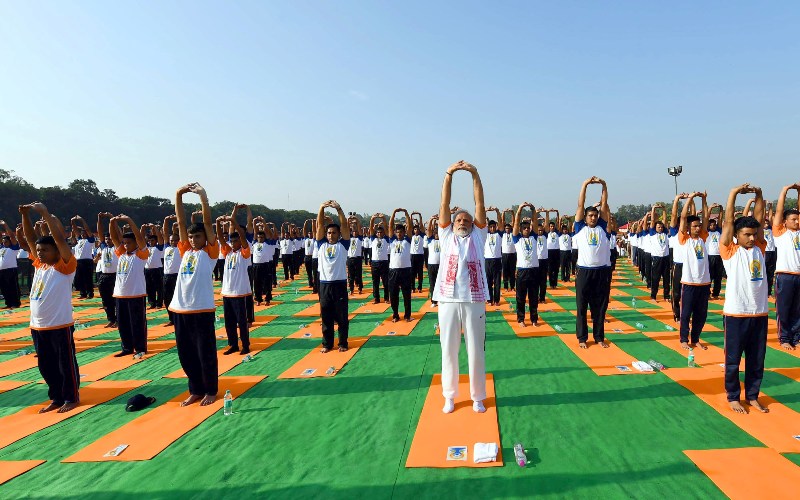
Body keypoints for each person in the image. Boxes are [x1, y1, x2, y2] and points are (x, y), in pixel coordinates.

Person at [433, 161, 489, 414]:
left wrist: (474, 174)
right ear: (452, 223)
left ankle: (477, 396)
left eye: (467, 220)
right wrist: (449, 175)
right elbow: (444, 205)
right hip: (447, 299)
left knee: (476, 350)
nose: (463, 222)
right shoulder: (445, 236)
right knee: (448, 350)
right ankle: (450, 396)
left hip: (474, 299)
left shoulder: (479, 236)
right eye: (459, 219)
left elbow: (479, 204)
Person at [20, 202, 80, 413]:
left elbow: (60, 239)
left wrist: (45, 213)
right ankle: (56, 396)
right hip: (38, 326)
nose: (40, 253)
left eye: (45, 250)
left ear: (57, 251)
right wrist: (25, 216)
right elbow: (29, 238)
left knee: (65, 364)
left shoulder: (65, 267)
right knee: (46, 366)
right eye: (39, 250)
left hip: (59, 325)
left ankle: (71, 397)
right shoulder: (40, 265)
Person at [719, 184, 769, 414]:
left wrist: (759, 195)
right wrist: (733, 194)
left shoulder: (760, 247)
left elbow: (758, 217)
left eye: (753, 234)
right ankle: (733, 396)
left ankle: (752, 395)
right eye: (746, 235)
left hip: (759, 312)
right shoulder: (730, 251)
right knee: (733, 360)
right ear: (737, 236)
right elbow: (728, 222)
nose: (750, 238)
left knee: (757, 359)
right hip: (736, 313)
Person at [170, 182, 219, 406]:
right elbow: (180, 221)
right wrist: (179, 194)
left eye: (197, 237)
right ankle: (196, 389)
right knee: (186, 354)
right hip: (180, 308)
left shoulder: (209, 253)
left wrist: (202, 196)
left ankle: (210, 390)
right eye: (191, 237)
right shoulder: (185, 251)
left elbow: (207, 222)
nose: (193, 240)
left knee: (205, 352)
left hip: (201, 308)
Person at [573, 177, 612, 349]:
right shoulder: (580, 227)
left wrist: (603, 185)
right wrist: (585, 185)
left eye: (595, 215)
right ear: (586, 217)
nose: (593, 218)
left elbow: (604, 204)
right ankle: (582, 338)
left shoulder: (602, 227)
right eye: (591, 215)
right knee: (582, 306)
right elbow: (580, 205)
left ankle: (599, 337)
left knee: (600, 307)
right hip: (584, 271)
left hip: (601, 272)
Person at [109, 213, 149, 357]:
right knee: (123, 322)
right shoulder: (121, 254)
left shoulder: (141, 254)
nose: (126, 245)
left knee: (137, 322)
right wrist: (112, 222)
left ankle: (140, 347)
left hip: (136, 294)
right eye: (124, 243)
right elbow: (114, 238)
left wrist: (129, 220)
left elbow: (139, 236)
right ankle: (127, 347)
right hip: (120, 293)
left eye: (129, 243)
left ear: (136, 244)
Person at [314, 200, 351, 353]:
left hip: (339, 284)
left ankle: (342, 343)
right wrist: (321, 207)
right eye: (329, 233)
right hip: (324, 285)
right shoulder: (321, 244)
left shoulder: (343, 245)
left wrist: (339, 209)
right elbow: (319, 225)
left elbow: (344, 226)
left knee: (342, 317)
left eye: (334, 232)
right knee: (326, 317)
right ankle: (327, 344)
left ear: (339, 234)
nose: (330, 235)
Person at [217, 205, 253, 355]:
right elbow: (220, 239)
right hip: (227, 292)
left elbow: (243, 238)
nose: (233, 243)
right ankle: (233, 344)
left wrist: (234, 222)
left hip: (239, 292)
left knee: (242, 322)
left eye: (235, 241)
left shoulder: (244, 253)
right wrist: (218, 224)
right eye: (232, 241)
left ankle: (245, 345)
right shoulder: (228, 253)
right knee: (229, 322)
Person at [677, 192, 711, 350]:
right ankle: (684, 339)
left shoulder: (703, 237)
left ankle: (695, 338)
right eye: (695, 226)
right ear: (688, 229)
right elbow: (683, 218)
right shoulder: (685, 239)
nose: (698, 228)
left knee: (701, 314)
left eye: (699, 226)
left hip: (704, 282)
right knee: (686, 314)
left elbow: (705, 216)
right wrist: (690, 199)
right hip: (689, 282)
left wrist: (703, 199)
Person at [772, 182, 800, 350]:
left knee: (798, 309)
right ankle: (784, 338)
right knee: (784, 308)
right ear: (785, 221)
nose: (797, 222)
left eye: (798, 219)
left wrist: (799, 192)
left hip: (799, 275)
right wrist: (784, 191)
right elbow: (779, 211)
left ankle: (797, 337)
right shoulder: (780, 232)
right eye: (793, 219)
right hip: (784, 275)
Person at [512, 203, 540, 327]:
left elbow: (534, 221)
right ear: (521, 229)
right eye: (524, 228)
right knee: (520, 297)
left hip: (534, 270)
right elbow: (516, 223)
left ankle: (534, 319)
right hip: (522, 271)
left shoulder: (534, 237)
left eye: (528, 228)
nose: (527, 230)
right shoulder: (517, 239)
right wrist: (519, 210)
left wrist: (533, 210)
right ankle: (521, 319)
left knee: (534, 297)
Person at [388, 208, 414, 322]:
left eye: (401, 232)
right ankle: (395, 315)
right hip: (393, 271)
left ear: (404, 232)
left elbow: (410, 226)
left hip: (406, 271)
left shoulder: (407, 240)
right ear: (395, 233)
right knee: (393, 295)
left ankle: (407, 315)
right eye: (397, 232)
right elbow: (390, 226)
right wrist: (393, 213)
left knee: (406, 294)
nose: (399, 234)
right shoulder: (392, 240)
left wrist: (406, 213)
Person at [95, 213, 119, 327]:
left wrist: (111, 219)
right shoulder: (103, 247)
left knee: (116, 300)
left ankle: (119, 320)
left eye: (110, 238)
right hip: (104, 276)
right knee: (106, 300)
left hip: (115, 276)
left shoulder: (117, 248)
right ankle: (111, 319)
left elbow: (118, 234)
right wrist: (99, 219)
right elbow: (99, 232)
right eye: (106, 239)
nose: (108, 240)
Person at [251, 219, 276, 306]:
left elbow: (268, 233)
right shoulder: (254, 243)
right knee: (257, 283)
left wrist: (264, 222)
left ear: (264, 238)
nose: (260, 238)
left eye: (262, 237)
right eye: (259, 237)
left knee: (267, 282)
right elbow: (255, 231)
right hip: (256, 265)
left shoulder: (268, 243)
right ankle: (258, 299)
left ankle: (267, 299)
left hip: (266, 265)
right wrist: (254, 222)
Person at [648, 204, 671, 302]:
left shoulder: (665, 232)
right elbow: (653, 221)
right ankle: (653, 296)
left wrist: (664, 209)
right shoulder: (653, 233)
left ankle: (666, 296)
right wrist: (653, 209)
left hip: (665, 257)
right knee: (656, 278)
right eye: (659, 227)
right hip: (656, 258)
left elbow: (665, 221)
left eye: (661, 227)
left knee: (666, 279)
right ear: (655, 228)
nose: (660, 228)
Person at [70, 215, 96, 299]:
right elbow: (74, 229)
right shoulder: (79, 241)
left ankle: (90, 293)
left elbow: (87, 229)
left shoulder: (90, 241)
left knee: (87, 278)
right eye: (82, 233)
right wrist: (72, 221)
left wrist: (81, 219)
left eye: (84, 233)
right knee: (79, 278)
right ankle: (83, 293)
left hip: (87, 261)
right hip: (78, 261)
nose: (83, 234)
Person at [0, 220, 22, 308]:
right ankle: (8, 303)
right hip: (1, 271)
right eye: (3, 242)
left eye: (6, 242)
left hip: (11, 270)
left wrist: (5, 225)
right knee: (4, 288)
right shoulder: (1, 248)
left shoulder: (13, 248)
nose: (4, 243)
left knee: (13, 287)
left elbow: (12, 236)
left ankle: (15, 303)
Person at [369, 215, 390, 304]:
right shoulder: (373, 239)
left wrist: (383, 219)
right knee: (375, 282)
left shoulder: (386, 239)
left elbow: (386, 228)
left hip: (384, 262)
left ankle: (386, 298)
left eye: (381, 232)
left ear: (383, 233)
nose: (379, 234)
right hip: (375, 263)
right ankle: (376, 298)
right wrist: (373, 218)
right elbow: (371, 228)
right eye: (378, 233)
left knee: (386, 282)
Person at [143, 224, 165, 310]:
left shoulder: (159, 247)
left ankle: (159, 303)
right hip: (147, 269)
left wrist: (155, 228)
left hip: (157, 269)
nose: (150, 242)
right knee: (149, 287)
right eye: (149, 241)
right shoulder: (147, 248)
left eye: (152, 240)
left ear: (156, 241)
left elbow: (159, 237)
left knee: (159, 287)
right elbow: (141, 238)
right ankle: (152, 303)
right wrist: (143, 228)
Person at [483, 214, 503, 306]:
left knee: (497, 282)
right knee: (488, 281)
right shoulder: (485, 235)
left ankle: (497, 300)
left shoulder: (499, 234)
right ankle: (489, 299)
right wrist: (485, 212)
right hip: (487, 261)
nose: (492, 228)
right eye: (490, 227)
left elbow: (501, 224)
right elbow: (482, 225)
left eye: (493, 227)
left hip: (497, 260)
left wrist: (497, 211)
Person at [706, 217, 724, 300]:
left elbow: (720, 222)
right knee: (709, 276)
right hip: (710, 256)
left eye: (714, 225)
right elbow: (706, 219)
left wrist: (720, 209)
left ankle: (716, 293)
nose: (712, 226)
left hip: (719, 256)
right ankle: (707, 293)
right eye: (711, 225)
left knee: (718, 276)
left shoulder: (718, 232)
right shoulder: (706, 232)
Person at [346, 216, 364, 295]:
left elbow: (360, 229)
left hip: (358, 259)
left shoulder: (359, 238)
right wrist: (348, 220)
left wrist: (357, 220)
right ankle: (351, 289)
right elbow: (346, 229)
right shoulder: (348, 238)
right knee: (351, 275)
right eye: (353, 231)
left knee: (358, 275)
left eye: (356, 231)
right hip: (350, 258)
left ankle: (360, 288)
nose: (355, 233)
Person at [426, 216, 441, 306]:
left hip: (441, 265)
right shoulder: (430, 241)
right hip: (431, 265)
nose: (436, 235)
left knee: (441, 283)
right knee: (432, 283)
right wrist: (431, 219)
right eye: (435, 233)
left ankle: (441, 299)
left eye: (438, 233)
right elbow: (428, 231)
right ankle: (434, 301)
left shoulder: (443, 241)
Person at [535, 215, 549, 303]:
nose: (540, 232)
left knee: (543, 281)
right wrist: (536, 218)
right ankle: (535, 297)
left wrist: (546, 214)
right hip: (536, 261)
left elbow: (546, 225)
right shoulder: (533, 237)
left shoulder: (545, 236)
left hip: (544, 260)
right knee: (535, 281)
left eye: (541, 230)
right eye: (538, 230)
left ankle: (542, 298)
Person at [501, 221, 517, 291]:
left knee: (512, 271)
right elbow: (502, 222)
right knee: (505, 271)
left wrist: (512, 213)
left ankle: (512, 286)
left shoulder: (513, 234)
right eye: (506, 228)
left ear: (511, 228)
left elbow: (514, 223)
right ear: (505, 229)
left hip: (512, 254)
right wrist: (503, 213)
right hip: (504, 254)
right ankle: (505, 287)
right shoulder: (502, 234)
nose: (507, 229)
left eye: (509, 228)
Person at [410, 222, 426, 293]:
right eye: (415, 229)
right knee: (412, 273)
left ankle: (420, 287)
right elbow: (409, 226)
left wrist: (420, 216)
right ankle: (412, 287)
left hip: (420, 255)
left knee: (420, 273)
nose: (416, 230)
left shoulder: (421, 236)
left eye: (417, 229)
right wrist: (410, 216)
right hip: (413, 255)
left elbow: (422, 227)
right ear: (413, 230)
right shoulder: (411, 236)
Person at [546, 215, 560, 289]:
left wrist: (557, 213)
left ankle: (555, 284)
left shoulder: (557, 233)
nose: (552, 227)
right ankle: (551, 284)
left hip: (557, 252)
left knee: (556, 269)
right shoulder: (547, 234)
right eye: (550, 226)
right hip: (549, 252)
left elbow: (558, 222)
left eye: (553, 226)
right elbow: (546, 223)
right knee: (550, 269)